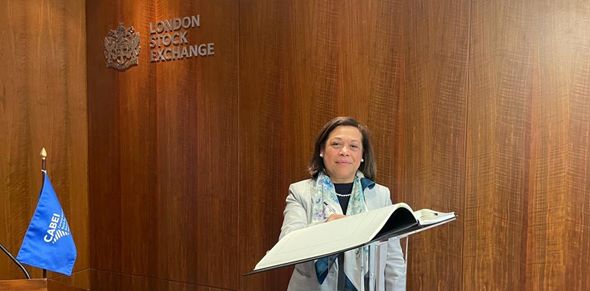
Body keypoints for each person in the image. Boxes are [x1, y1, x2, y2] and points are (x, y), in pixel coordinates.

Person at [279, 117, 407, 291]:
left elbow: (393, 261)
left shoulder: (380, 195)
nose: (344, 151)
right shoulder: (300, 192)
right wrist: (324, 229)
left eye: (353, 146)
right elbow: (287, 244)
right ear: (322, 150)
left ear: (362, 156)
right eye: (336, 144)